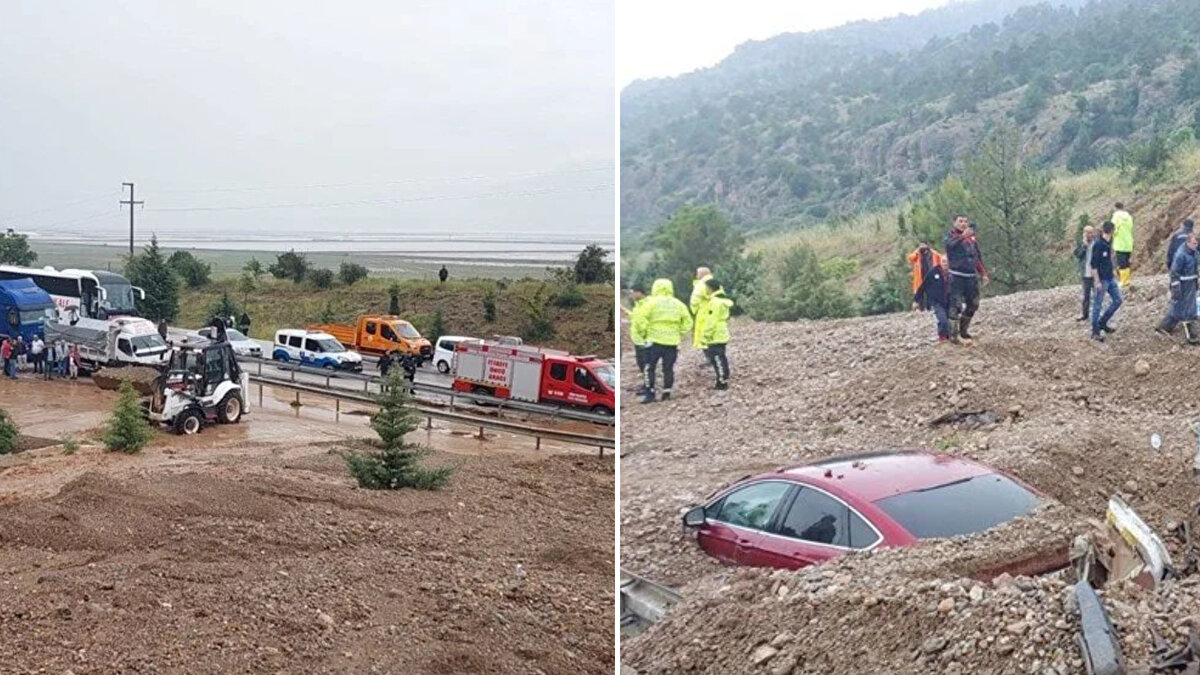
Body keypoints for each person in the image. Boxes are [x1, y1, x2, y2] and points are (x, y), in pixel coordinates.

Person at [631, 278, 692, 403]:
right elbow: (688, 322)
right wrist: (679, 333)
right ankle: (667, 391)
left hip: (654, 341)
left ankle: (650, 393)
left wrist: (644, 333)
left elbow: (639, 319)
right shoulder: (678, 304)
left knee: (649, 367)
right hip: (672, 342)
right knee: (668, 368)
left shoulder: (651, 303)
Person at [944, 215, 989, 342]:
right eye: (960, 221)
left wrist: (983, 273)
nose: (963, 224)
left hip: (971, 277)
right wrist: (962, 236)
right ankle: (953, 336)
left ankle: (963, 331)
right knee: (956, 305)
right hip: (956, 276)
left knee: (973, 304)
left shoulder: (972, 239)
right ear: (954, 223)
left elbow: (977, 257)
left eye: (965, 221)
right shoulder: (950, 236)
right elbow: (950, 246)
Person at [1157, 233, 1200, 343]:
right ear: (1188, 242)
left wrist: (1196, 282)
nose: (1196, 245)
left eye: (1197, 243)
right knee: (1182, 308)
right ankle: (1189, 335)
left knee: (1186, 307)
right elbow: (1174, 273)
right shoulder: (1181, 255)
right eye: (1194, 243)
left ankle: (1166, 327)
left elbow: (1196, 268)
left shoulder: (1194, 253)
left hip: (1191, 284)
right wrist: (1176, 287)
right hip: (1183, 284)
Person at [1090, 221, 1122, 341]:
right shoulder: (1098, 245)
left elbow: (1109, 258)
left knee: (1118, 300)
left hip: (1110, 277)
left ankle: (1102, 322)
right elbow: (1093, 265)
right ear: (1112, 230)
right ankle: (1094, 331)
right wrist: (1097, 281)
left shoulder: (1110, 242)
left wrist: (1114, 270)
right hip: (1102, 280)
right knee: (1097, 305)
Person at [701, 278, 733, 390]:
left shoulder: (714, 302)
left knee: (717, 358)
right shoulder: (722, 300)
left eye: (706, 287)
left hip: (715, 334)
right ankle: (723, 377)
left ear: (710, 288)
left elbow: (711, 320)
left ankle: (722, 381)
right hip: (721, 331)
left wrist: (706, 335)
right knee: (721, 356)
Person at [915, 257, 952, 343]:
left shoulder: (953, 273)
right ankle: (942, 337)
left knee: (950, 319)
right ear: (940, 262)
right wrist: (916, 300)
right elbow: (923, 286)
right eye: (943, 261)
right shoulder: (933, 272)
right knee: (943, 320)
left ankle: (949, 337)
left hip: (949, 300)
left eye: (947, 262)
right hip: (936, 301)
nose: (945, 264)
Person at [907, 243, 943, 311]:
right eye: (921, 246)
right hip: (920, 278)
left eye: (924, 246)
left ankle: (930, 308)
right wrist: (916, 251)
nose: (923, 248)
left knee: (931, 292)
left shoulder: (933, 254)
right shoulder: (918, 255)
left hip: (931, 276)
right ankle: (921, 309)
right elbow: (910, 258)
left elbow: (941, 258)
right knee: (920, 293)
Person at [627, 285, 649, 393]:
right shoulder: (637, 305)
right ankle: (645, 385)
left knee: (645, 364)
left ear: (639, 292)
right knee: (641, 364)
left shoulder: (646, 305)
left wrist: (644, 335)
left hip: (643, 340)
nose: (631, 295)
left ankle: (648, 386)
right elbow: (636, 318)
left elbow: (644, 321)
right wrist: (626, 312)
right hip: (638, 340)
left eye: (633, 292)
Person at [690, 266, 718, 352]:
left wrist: (694, 310)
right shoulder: (716, 282)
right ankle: (716, 355)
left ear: (702, 274)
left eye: (697, 273)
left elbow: (695, 299)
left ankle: (710, 357)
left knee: (702, 335)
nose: (696, 275)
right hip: (716, 310)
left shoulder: (701, 284)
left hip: (703, 312)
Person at [1074, 226, 1097, 322]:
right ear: (1084, 233)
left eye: (1091, 232)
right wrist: (1084, 246)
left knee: (1097, 295)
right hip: (1085, 274)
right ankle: (1085, 314)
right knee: (1086, 296)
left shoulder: (1097, 243)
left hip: (1096, 274)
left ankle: (1096, 315)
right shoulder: (1081, 244)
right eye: (1087, 233)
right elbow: (1078, 255)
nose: (1089, 235)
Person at [1111, 202, 1134, 289]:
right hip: (1128, 242)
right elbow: (1131, 227)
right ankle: (1127, 280)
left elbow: (1113, 229)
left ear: (1115, 208)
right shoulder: (1129, 217)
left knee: (1121, 263)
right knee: (1127, 262)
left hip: (1119, 243)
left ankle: (1123, 281)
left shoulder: (1116, 216)